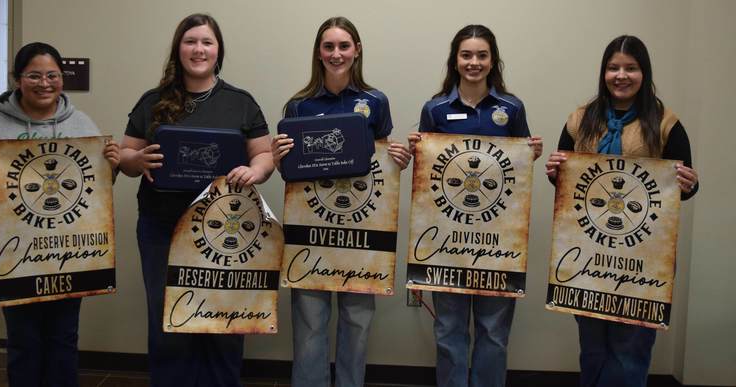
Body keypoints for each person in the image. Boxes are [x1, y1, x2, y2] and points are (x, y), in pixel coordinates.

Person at [0, 42, 119, 387]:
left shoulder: (81, 123)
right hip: (16, 258)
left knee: (64, 340)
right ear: (17, 79)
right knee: (24, 343)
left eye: (53, 75)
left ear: (62, 79)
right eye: (34, 75)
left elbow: (90, 195)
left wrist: (110, 167)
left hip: (71, 256)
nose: (45, 83)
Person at [118, 13, 273, 387]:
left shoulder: (241, 102)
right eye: (190, 41)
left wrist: (255, 172)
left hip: (225, 230)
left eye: (206, 42)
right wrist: (135, 161)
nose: (198, 49)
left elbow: (265, 157)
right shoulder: (152, 101)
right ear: (178, 49)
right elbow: (124, 157)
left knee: (223, 316)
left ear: (218, 50)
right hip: (161, 227)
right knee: (168, 317)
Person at [545, 35, 698, 387]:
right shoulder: (580, 119)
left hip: (643, 256)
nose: (621, 75)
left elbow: (684, 189)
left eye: (631, 68)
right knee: (593, 346)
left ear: (644, 73)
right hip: (588, 252)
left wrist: (689, 183)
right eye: (613, 67)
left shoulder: (664, 122)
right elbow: (567, 186)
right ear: (604, 73)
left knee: (631, 347)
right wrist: (556, 173)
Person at [271, 16, 411, 387]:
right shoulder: (298, 106)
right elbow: (289, 174)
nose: (337, 54)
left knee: (357, 323)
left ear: (357, 51)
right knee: (310, 326)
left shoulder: (375, 101)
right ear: (319, 53)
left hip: (361, 235)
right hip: (312, 233)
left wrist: (398, 158)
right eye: (329, 46)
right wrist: (278, 156)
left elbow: (381, 163)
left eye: (344, 46)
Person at [408, 25, 542, 387]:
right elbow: (426, 180)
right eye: (466, 55)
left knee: (494, 334)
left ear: (492, 61)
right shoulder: (434, 108)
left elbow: (518, 176)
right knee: (449, 332)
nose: (474, 62)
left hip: (497, 243)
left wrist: (530, 155)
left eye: (482, 55)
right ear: (455, 60)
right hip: (447, 243)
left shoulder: (511, 108)